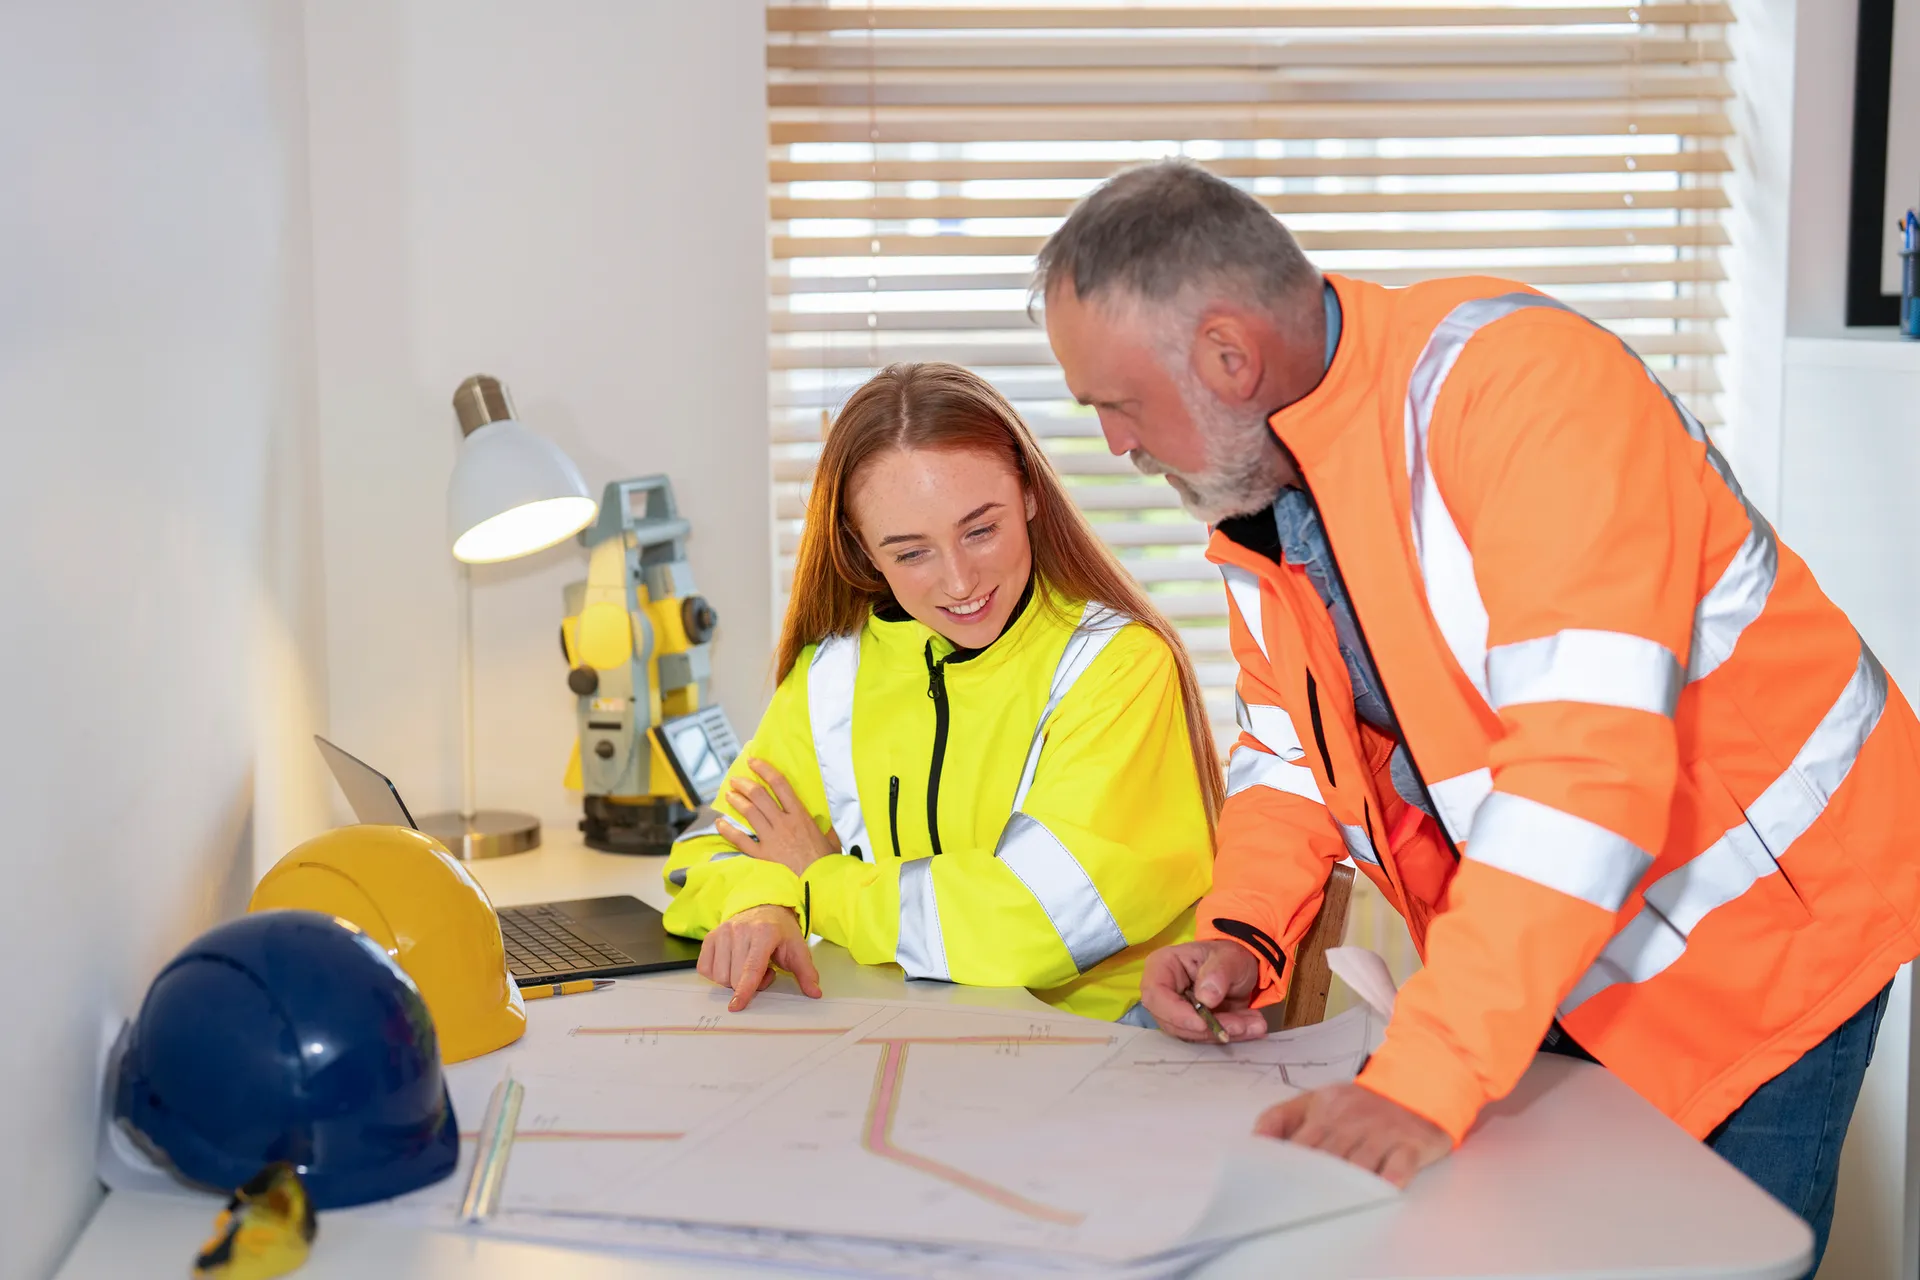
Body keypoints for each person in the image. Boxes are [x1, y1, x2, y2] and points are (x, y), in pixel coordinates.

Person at [1035, 159, 1920, 1267]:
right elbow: (1289, 749)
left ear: (1227, 353)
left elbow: (1583, 777)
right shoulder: (1261, 491)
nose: (1114, 442)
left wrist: (1428, 1072)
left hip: (1769, 936)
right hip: (1551, 952)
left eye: (1114, 403)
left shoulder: (1526, 392)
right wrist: (1242, 933)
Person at [662, 361, 1220, 1023]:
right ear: (864, 551)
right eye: (910, 552)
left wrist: (820, 884)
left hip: (1098, 1041)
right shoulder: (834, 671)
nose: (960, 582)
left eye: (980, 530)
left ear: (1030, 494)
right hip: (909, 1028)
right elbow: (709, 851)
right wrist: (761, 901)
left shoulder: (1117, 666)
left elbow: (1035, 924)